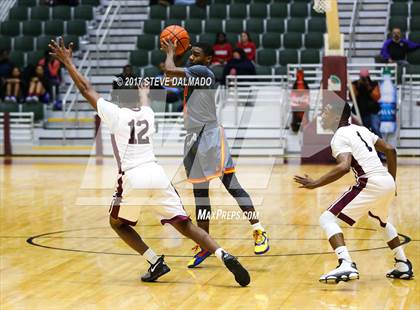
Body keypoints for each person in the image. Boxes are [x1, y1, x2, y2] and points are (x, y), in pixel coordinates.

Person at [48, 37, 250, 286]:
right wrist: (145, 84)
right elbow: (142, 95)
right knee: (186, 226)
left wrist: (68, 62)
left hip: (133, 176)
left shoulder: (114, 114)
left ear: (117, 97)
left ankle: (155, 261)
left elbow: (85, 88)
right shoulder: (148, 112)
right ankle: (223, 253)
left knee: (117, 224)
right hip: (158, 174)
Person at [161, 39, 270, 268]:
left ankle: (259, 231)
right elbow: (169, 78)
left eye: (196, 54)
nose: (192, 57)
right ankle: (206, 245)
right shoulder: (193, 71)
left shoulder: (203, 71)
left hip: (209, 136)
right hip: (193, 138)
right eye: (191, 54)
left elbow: (169, 70)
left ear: (208, 59)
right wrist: (178, 56)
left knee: (232, 185)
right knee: (201, 195)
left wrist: (172, 52)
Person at [294, 102, 413, 283]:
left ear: (336, 117)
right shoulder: (361, 129)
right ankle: (402, 264)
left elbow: (344, 166)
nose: (321, 115)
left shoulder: (339, 136)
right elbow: (390, 150)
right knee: (380, 221)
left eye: (325, 112)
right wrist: (392, 183)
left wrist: (316, 183)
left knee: (327, 218)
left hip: (369, 182)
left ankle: (346, 263)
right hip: (386, 181)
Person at [351, 69, 382, 138]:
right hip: (360, 112)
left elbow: (377, 97)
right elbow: (352, 97)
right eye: (363, 78)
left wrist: (369, 87)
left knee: (375, 128)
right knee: (360, 132)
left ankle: (381, 146)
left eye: (366, 78)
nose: (364, 80)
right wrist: (358, 87)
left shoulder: (373, 84)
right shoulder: (355, 84)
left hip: (372, 111)